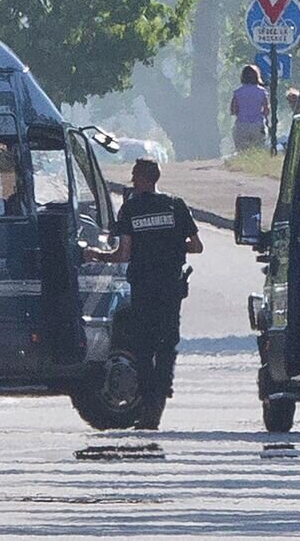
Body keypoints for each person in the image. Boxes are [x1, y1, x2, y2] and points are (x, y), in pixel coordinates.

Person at [86, 158, 203, 429]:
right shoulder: (176, 205)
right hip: (171, 289)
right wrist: (172, 245)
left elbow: (123, 254)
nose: (131, 181)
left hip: (143, 289)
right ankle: (158, 402)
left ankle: (148, 404)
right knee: (166, 346)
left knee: (143, 347)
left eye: (133, 176)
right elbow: (196, 246)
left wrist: (96, 256)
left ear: (141, 179)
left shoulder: (131, 209)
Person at [230, 64, 269, 152]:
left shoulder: (237, 92)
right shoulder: (262, 92)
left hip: (241, 124)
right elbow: (266, 110)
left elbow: (233, 110)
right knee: (258, 149)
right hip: (257, 124)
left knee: (242, 150)